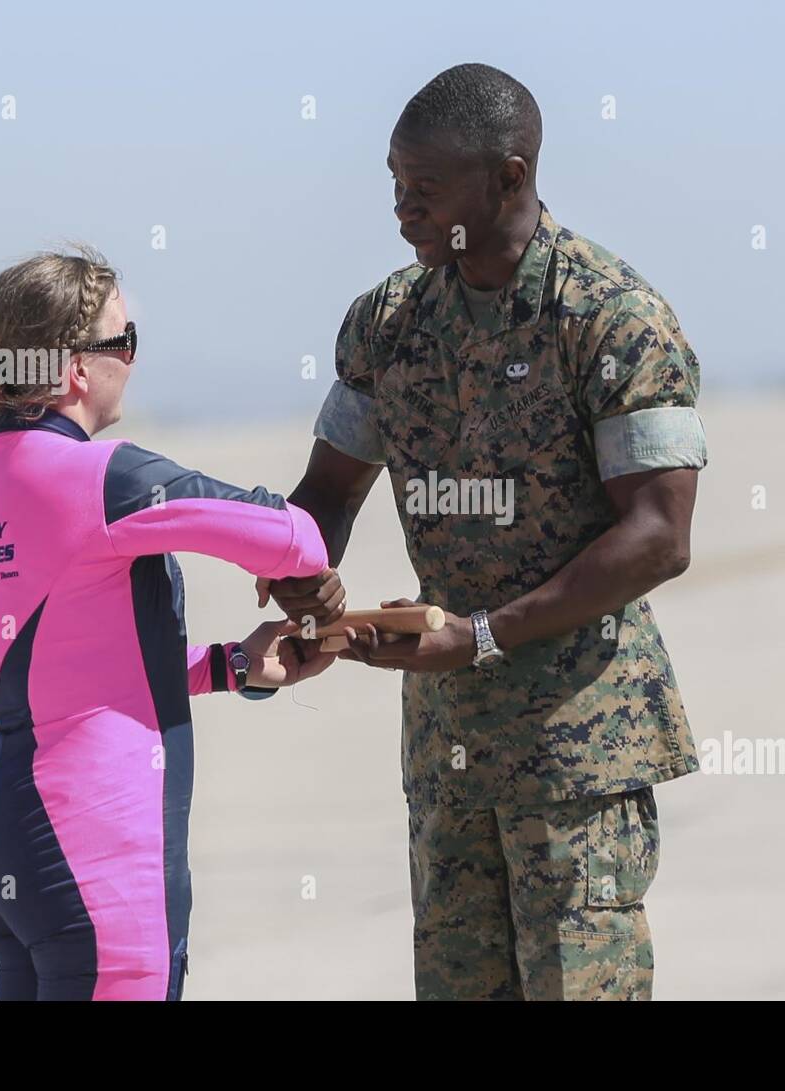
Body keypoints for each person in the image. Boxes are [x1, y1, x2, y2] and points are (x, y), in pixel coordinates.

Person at [261, 64, 708, 1000]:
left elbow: (660, 533)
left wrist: (486, 635)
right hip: (450, 747)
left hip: (578, 745)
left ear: (510, 177)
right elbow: (330, 489)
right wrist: (301, 568)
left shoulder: (612, 319)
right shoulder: (389, 321)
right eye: (394, 182)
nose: (402, 208)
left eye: (425, 187)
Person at [0, 247, 335, 1000]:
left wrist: (231, 666)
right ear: (76, 369)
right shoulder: (105, 479)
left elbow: (67, 672)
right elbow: (294, 535)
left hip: (2, 834)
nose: (133, 359)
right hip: (93, 842)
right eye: (125, 342)